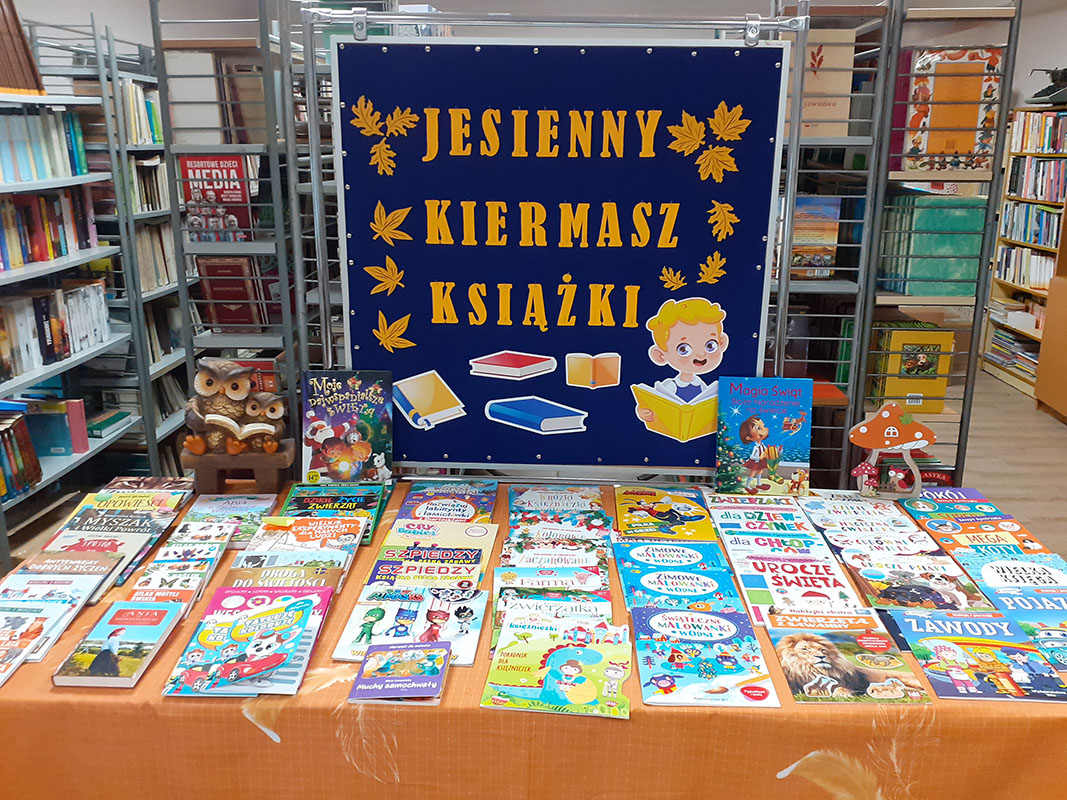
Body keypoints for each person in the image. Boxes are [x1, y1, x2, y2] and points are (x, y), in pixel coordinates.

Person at [635, 298, 729, 433]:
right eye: (683, 349)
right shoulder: (670, 386)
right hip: (669, 432)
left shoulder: (702, 385)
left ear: (721, 343)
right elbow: (654, 406)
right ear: (660, 355)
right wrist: (642, 412)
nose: (701, 355)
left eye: (710, 345)